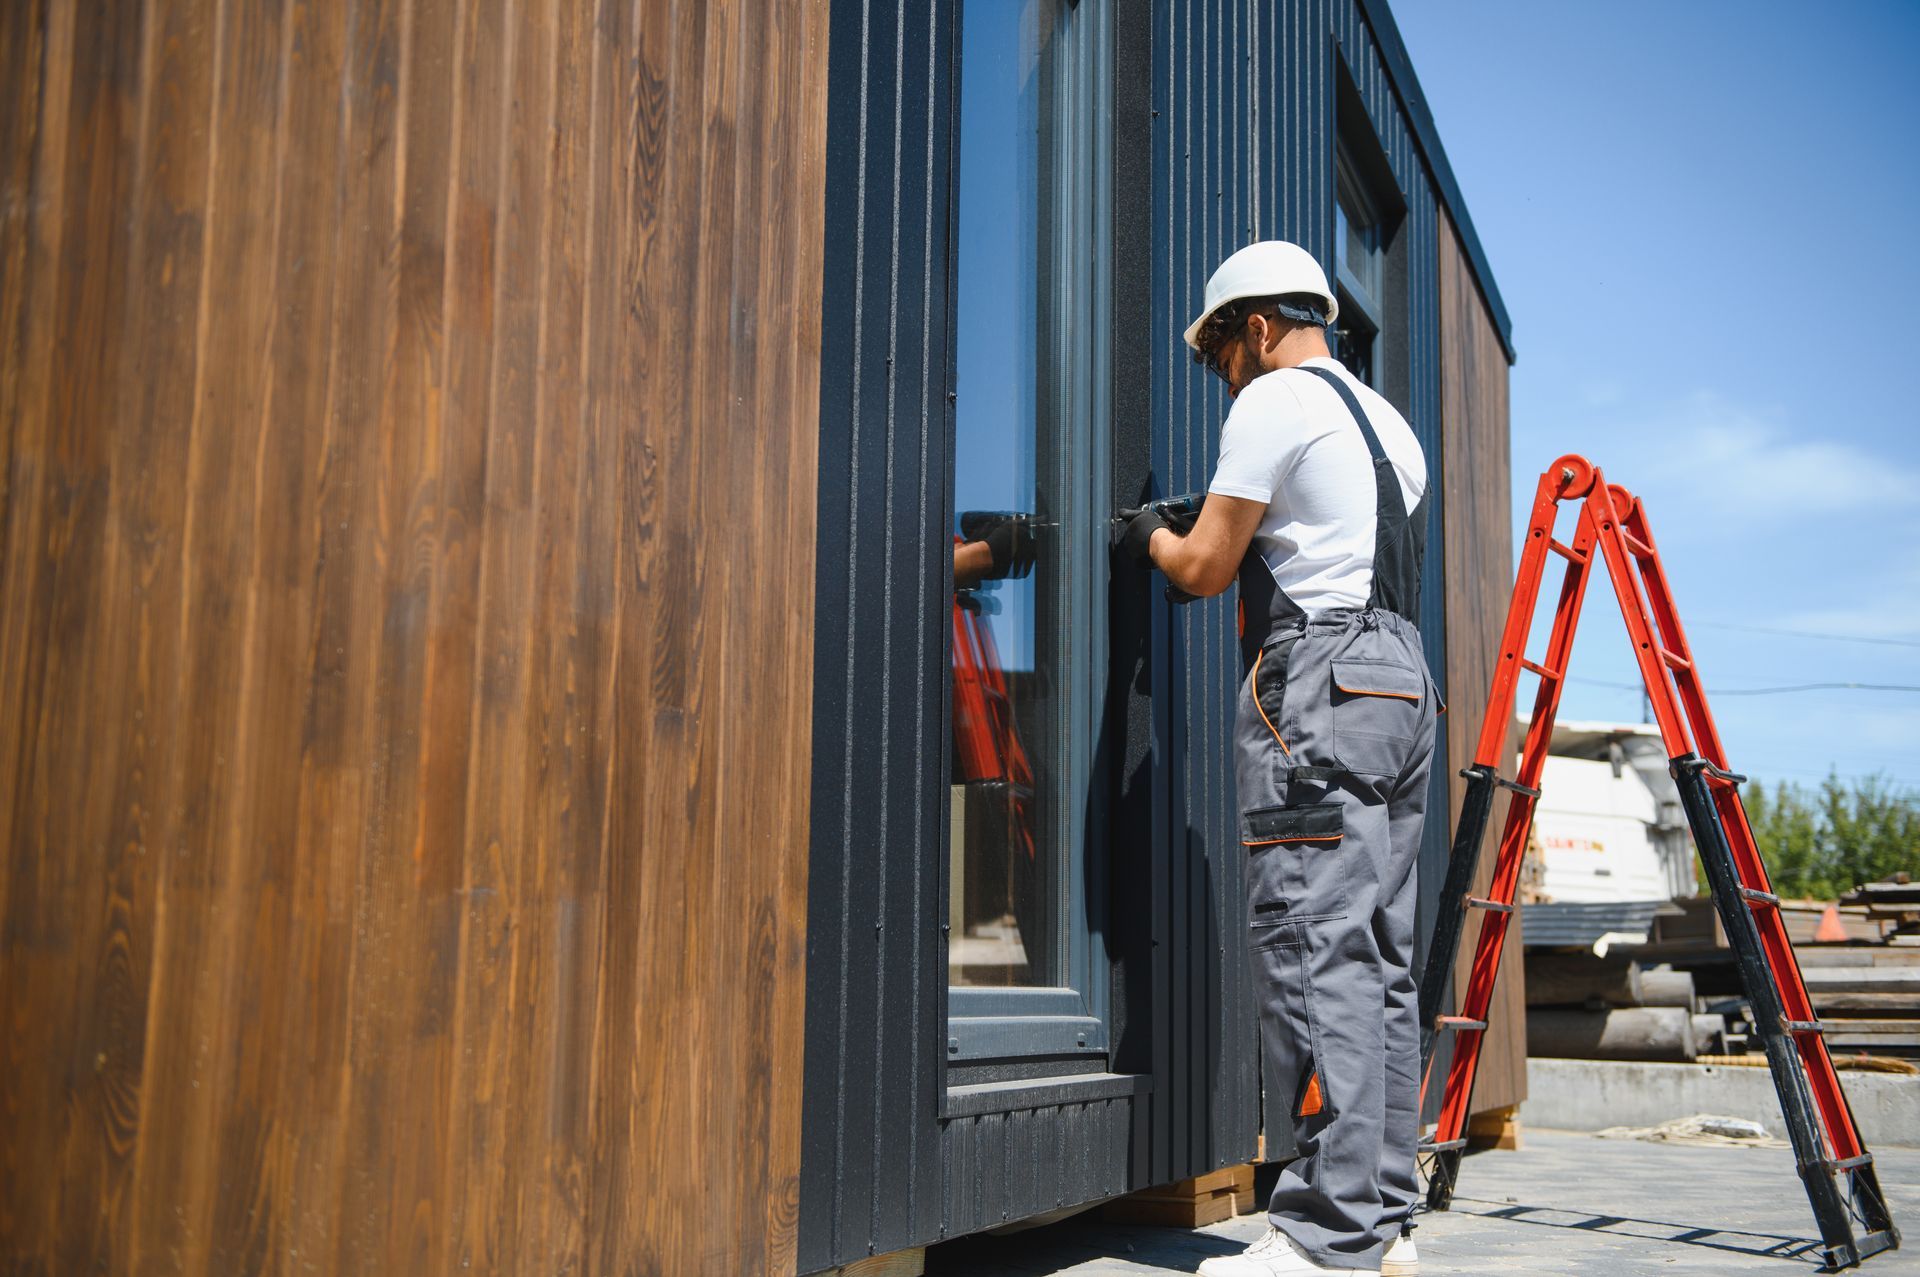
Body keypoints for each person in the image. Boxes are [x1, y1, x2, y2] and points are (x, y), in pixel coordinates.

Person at [1120, 240, 1437, 1277]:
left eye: (1221, 357)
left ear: (1255, 327)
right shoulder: (1391, 423)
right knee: (1380, 958)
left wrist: (1149, 539)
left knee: (1311, 941)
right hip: (1401, 677)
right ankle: (1383, 1218)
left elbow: (1210, 564)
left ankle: (1318, 1235)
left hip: (1322, 677)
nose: (1225, 377)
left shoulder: (1274, 399)